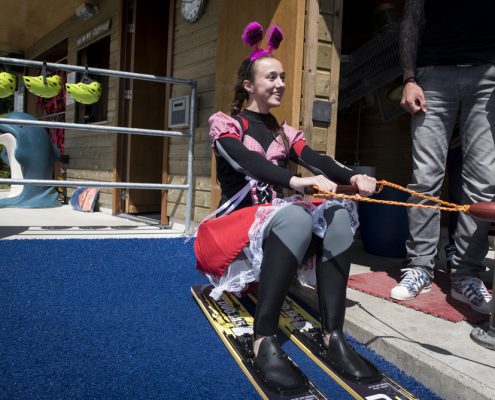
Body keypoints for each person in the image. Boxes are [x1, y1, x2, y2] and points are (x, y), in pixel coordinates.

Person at [194, 22, 380, 392]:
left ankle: (333, 335)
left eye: (282, 77)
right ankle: (264, 339)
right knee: (294, 211)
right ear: (249, 85)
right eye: (271, 77)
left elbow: (317, 160)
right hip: (235, 233)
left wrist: (355, 176)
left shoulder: (285, 132)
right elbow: (247, 162)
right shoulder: (226, 124)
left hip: (279, 228)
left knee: (338, 212)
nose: (280, 83)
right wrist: (296, 182)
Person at [390, 0, 494, 314]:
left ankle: (465, 274)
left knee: (484, 182)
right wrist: (408, 79)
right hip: (432, 74)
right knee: (424, 179)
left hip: (488, 76)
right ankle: (420, 266)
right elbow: (412, 19)